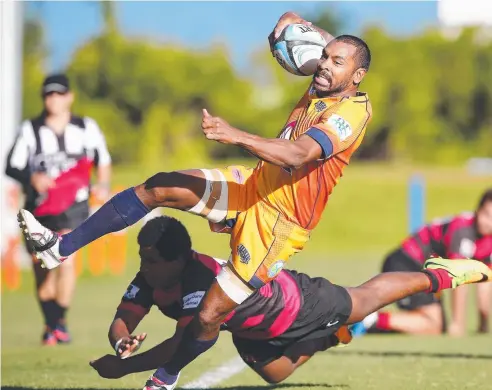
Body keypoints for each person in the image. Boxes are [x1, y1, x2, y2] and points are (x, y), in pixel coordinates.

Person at [19, 11, 372, 387]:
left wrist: (234, 134)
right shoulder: (327, 78)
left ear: (356, 76)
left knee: (209, 316)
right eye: (324, 55)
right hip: (253, 185)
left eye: (336, 62)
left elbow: (299, 154)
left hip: (278, 225)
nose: (324, 64)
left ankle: (166, 378)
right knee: (160, 186)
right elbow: (297, 22)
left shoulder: (350, 113)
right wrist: (288, 29)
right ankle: (59, 247)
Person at [88, 216, 491, 389]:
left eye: (152, 261)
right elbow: (124, 317)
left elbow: (186, 341)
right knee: (276, 373)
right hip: (250, 329)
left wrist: (128, 371)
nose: (144, 267)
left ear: (178, 259)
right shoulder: (151, 276)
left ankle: (440, 273)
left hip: (296, 302)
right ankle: (334, 336)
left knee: (365, 298)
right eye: (142, 258)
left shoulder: (196, 278)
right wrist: (121, 341)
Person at [6, 74, 112, 345]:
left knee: (67, 261)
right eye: (48, 95)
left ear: (69, 97)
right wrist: (32, 178)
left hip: (74, 208)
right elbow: (12, 165)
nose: (53, 99)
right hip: (39, 210)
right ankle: (51, 323)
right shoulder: (30, 129)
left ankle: (60, 322)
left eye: (59, 94)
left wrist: (102, 184)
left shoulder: (85, 127)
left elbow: (103, 159)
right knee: (42, 268)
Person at [351, 188, 492, 337]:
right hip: (406, 264)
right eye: (487, 215)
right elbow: (458, 278)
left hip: (424, 272)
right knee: (433, 325)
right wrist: (457, 324)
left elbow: (485, 279)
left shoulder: (488, 240)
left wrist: (483, 325)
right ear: (478, 210)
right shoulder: (463, 230)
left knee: (437, 325)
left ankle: (369, 320)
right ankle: (368, 319)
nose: (489, 222)